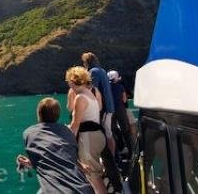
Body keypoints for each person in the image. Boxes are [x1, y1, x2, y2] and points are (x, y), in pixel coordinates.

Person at [17, 97, 94, 194]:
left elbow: (46, 160)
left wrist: (30, 163)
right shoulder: (68, 132)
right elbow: (63, 156)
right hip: (85, 189)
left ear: (39, 114)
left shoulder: (29, 133)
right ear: (58, 115)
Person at [81, 52, 123, 192]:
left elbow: (92, 90)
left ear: (87, 62)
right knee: (109, 133)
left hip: (104, 109)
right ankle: (111, 158)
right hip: (110, 107)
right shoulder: (102, 70)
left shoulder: (93, 71)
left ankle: (109, 159)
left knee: (107, 134)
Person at [66, 66, 107, 194]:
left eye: (68, 81)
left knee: (92, 176)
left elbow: (75, 124)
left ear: (72, 81)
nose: (68, 84)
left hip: (88, 138)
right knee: (94, 174)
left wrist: (66, 141)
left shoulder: (80, 98)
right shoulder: (90, 93)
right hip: (97, 136)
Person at [107, 70, 133, 161]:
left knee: (112, 132)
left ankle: (116, 155)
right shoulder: (121, 87)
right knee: (126, 131)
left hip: (111, 111)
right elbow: (124, 100)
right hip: (120, 110)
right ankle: (131, 153)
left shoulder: (107, 88)